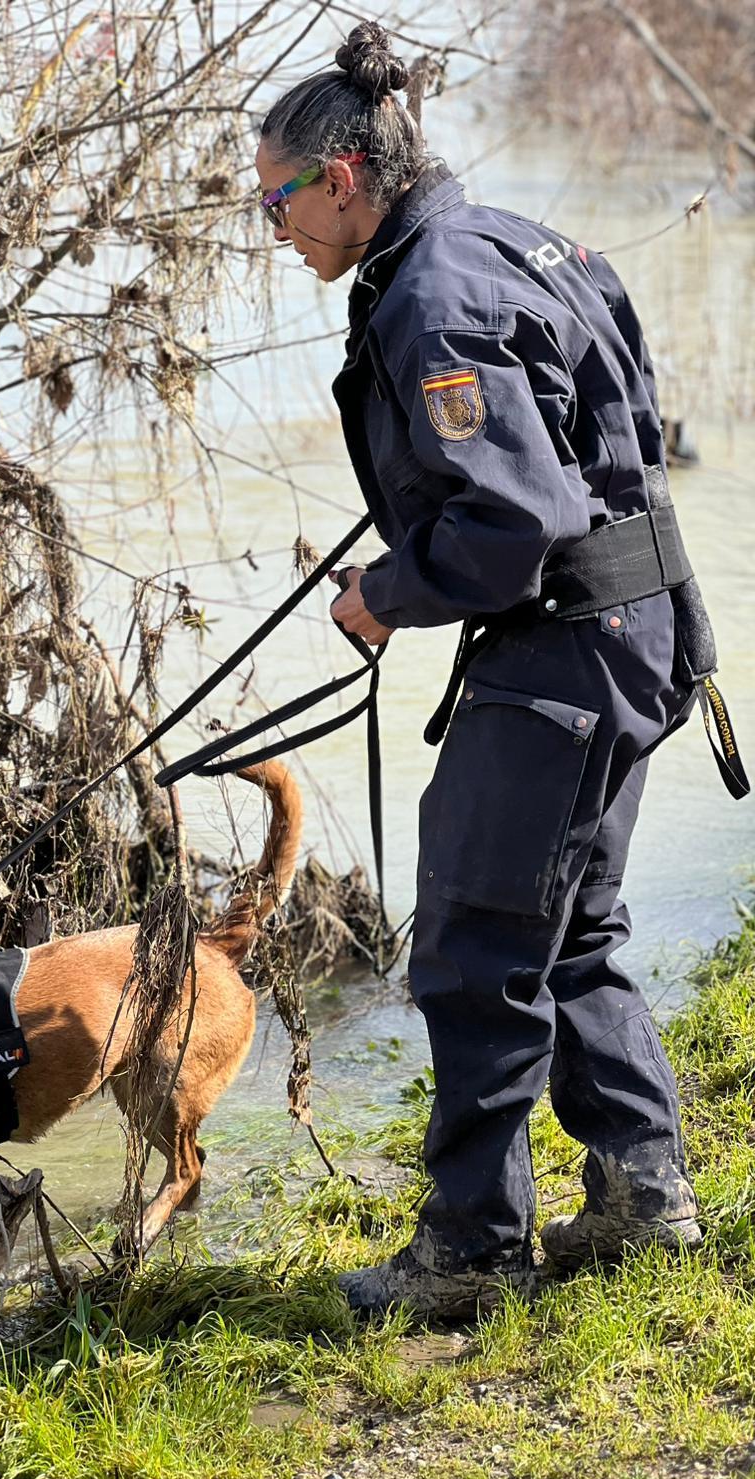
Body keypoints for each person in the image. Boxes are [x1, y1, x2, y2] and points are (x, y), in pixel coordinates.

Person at [255, 21, 745, 1316]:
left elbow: (513, 524)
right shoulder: (532, 242)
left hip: (565, 649)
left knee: (475, 937)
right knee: (571, 924)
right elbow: (619, 443)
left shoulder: (432, 297)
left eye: (276, 201)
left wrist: (386, 594)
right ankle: (646, 1197)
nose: (274, 228)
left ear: (343, 178)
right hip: (641, 634)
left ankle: (471, 1252)